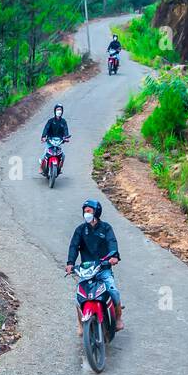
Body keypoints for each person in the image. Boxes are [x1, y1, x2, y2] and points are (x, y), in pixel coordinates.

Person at [65, 199, 124, 333]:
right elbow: (74, 246)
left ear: (96, 212)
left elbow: (112, 242)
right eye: (85, 211)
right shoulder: (80, 230)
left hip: (103, 269)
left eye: (89, 211)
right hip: (86, 271)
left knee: (113, 291)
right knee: (78, 298)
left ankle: (119, 317)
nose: (86, 214)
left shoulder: (106, 228)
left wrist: (114, 256)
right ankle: (80, 325)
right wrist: (70, 264)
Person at [40, 104, 71, 175]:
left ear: (62, 111)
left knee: (62, 156)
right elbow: (46, 128)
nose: (59, 111)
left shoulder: (63, 121)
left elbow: (66, 130)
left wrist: (66, 137)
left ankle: (59, 168)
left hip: (59, 141)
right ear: (55, 111)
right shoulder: (50, 121)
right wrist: (44, 137)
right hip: (50, 141)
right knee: (44, 154)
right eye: (57, 110)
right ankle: (41, 168)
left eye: (60, 110)